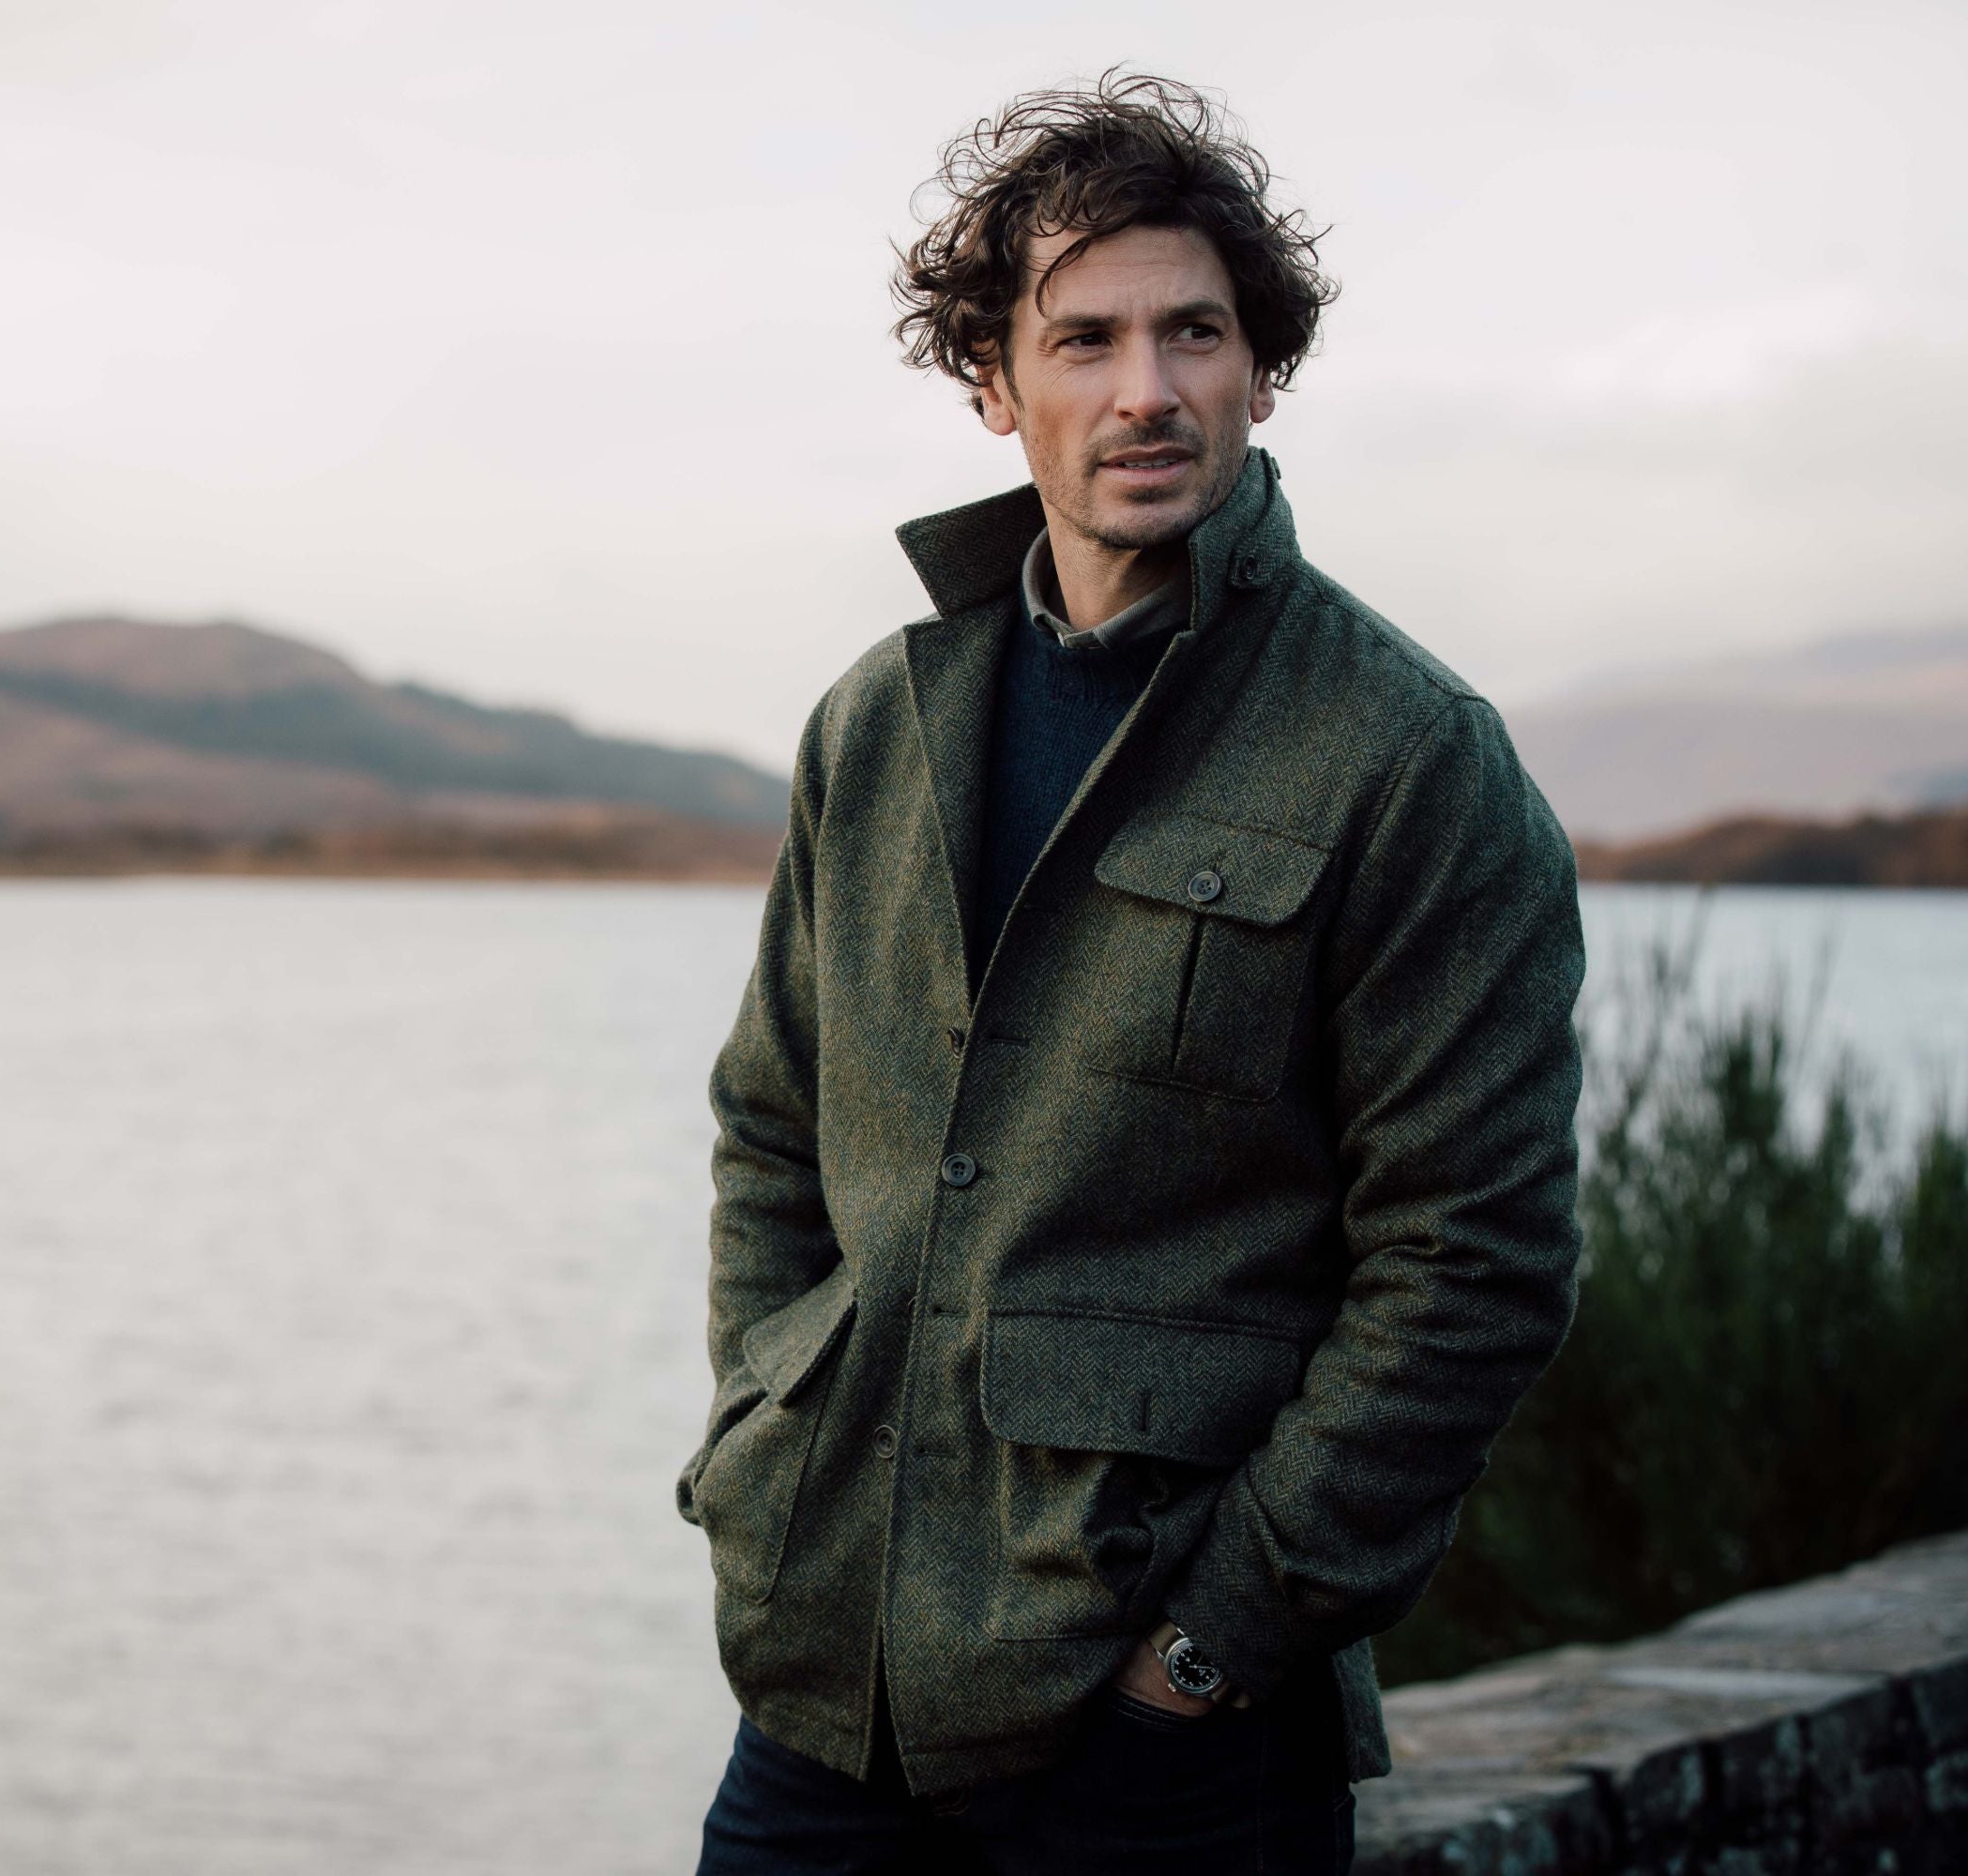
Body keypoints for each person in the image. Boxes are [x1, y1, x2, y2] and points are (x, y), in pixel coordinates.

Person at [676, 71, 1587, 1873]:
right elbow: (771, 1134)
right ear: (995, 385)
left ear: (1262, 368)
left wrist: (1212, 1649)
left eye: (1194, 332)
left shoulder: (1405, 754)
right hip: (823, 1694)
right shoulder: (881, 722)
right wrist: (760, 1453)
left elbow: (1471, 1260)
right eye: (1083, 339)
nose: (1145, 389)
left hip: (1167, 1744)